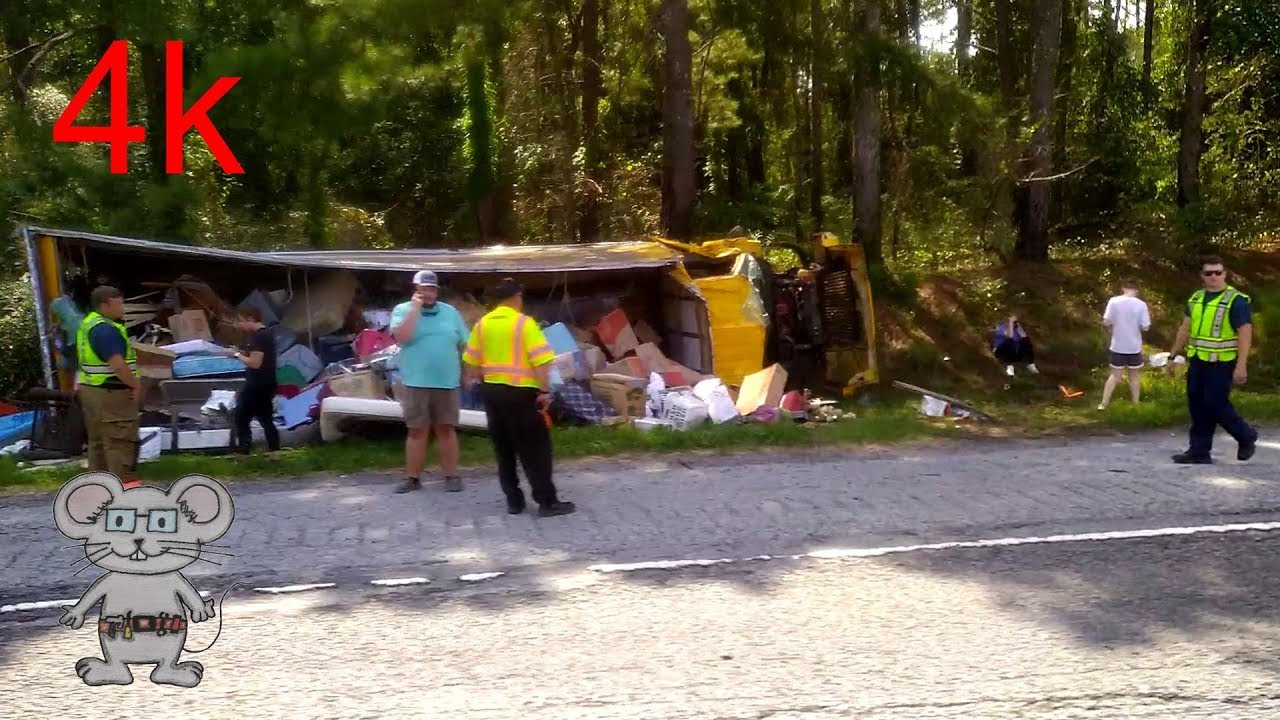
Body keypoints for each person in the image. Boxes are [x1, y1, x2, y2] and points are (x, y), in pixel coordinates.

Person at [462, 278, 576, 517]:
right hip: (521, 395)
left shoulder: (482, 325)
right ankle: (547, 502)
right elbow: (541, 361)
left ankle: (514, 501)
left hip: (492, 393)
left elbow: (471, 364)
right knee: (535, 449)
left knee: (504, 448)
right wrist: (544, 391)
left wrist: (483, 378)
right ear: (515, 298)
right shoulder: (524, 324)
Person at [1165, 256, 1258, 464]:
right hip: (1198, 360)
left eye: (1218, 272)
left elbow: (1245, 332)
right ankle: (1199, 451)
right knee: (1197, 404)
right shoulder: (1196, 298)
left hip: (1222, 361)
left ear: (1224, 274)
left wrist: (1242, 365)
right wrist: (1173, 355)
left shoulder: (1236, 300)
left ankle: (1246, 435)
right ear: (1202, 276)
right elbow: (1185, 328)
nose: (1214, 276)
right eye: (1209, 273)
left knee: (1215, 403)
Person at [389, 270, 471, 494]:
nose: (428, 293)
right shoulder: (402, 310)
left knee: (446, 428)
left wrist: (468, 372)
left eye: (432, 289)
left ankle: (452, 476)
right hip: (416, 381)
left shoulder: (450, 312)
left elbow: (464, 344)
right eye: (424, 288)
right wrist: (414, 309)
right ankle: (413, 478)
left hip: (447, 381)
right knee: (417, 430)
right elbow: (402, 337)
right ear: (415, 289)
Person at [75, 286, 142, 481]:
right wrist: (135, 385)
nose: (123, 308)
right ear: (104, 305)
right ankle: (124, 486)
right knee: (119, 442)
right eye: (119, 304)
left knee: (98, 442)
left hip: (92, 391)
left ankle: (99, 487)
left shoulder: (88, 324)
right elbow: (117, 364)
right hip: (111, 395)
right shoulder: (106, 331)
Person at [225, 306, 280, 454]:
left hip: (257, 384)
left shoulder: (259, 336)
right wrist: (241, 352)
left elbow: (255, 363)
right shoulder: (267, 334)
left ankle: (244, 450)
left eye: (239, 321)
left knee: (241, 416)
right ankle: (275, 451)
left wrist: (236, 355)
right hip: (268, 382)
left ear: (250, 318)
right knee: (265, 418)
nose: (237, 325)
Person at [1098, 279, 1152, 410]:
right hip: (1134, 346)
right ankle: (1136, 404)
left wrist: (1114, 325)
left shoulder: (1114, 301)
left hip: (1118, 345)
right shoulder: (1141, 305)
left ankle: (1103, 403)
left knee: (1114, 376)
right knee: (1134, 377)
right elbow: (1145, 327)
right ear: (1137, 290)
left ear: (1123, 288)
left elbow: (1106, 322)